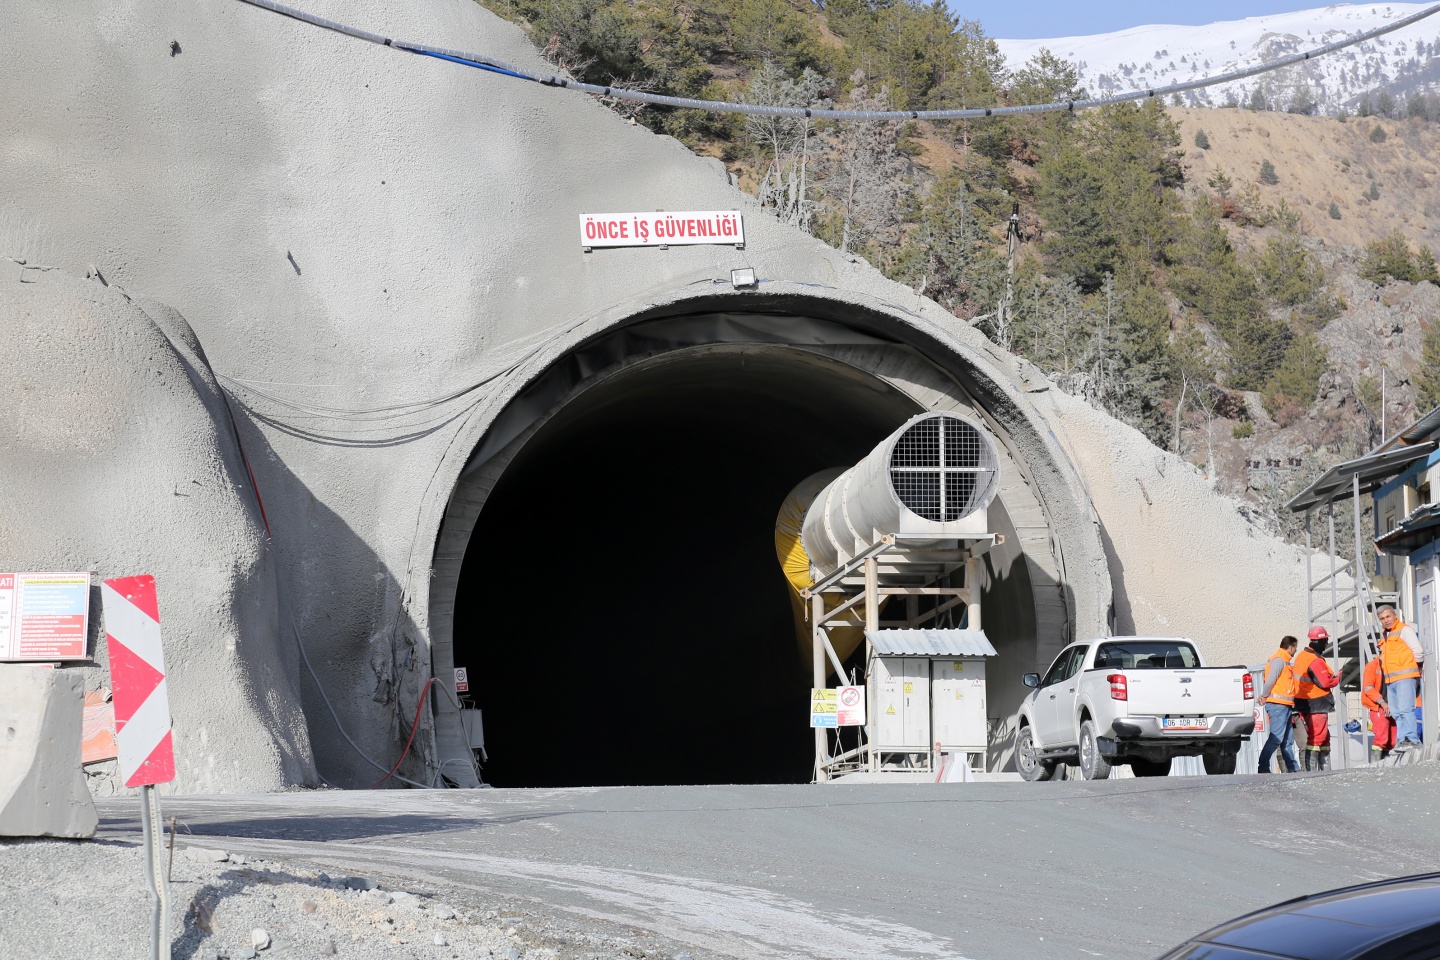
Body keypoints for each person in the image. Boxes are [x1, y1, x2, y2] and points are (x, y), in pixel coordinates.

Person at [1293, 626, 1342, 771]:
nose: (1327, 644)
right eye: (1326, 641)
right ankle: (1312, 772)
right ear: (1321, 641)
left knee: (1324, 738)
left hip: (1306, 702)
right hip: (1316, 703)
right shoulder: (1314, 660)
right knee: (1318, 738)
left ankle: (1324, 771)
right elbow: (1326, 682)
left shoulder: (1302, 656)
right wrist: (1338, 677)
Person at [1377, 605, 1424, 749]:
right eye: (1382, 619)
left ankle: (1412, 740)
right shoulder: (1386, 634)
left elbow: (1418, 651)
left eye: (1388, 617)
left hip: (1405, 676)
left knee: (1405, 709)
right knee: (1396, 712)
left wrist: (1418, 668)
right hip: (1391, 680)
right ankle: (1402, 739)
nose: (1386, 620)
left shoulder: (1404, 630)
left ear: (1395, 615)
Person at [1258, 636, 1300, 774]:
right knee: (1276, 739)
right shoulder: (1279, 660)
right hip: (1278, 706)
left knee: (1287, 741)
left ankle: (1293, 769)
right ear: (1290, 646)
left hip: (1285, 706)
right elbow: (1270, 681)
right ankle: (1263, 767)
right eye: (1295, 647)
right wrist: (1264, 696)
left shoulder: (1284, 661)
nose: (1296, 650)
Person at [1361, 654, 1395, 759]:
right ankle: (1376, 765)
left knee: (1392, 739)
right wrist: (1382, 702)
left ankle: (1385, 765)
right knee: (1382, 737)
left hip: (1391, 706)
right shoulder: (1372, 666)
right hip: (1378, 707)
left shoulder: (1391, 666)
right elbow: (1368, 688)